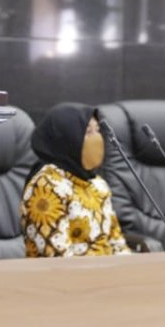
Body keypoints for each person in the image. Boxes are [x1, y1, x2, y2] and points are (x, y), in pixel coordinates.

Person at [21, 103, 130, 257]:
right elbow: (56, 256)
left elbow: (117, 243)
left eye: (98, 131)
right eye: (88, 132)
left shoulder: (98, 184)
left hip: (108, 275)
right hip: (65, 278)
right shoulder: (46, 186)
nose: (97, 138)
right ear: (67, 137)